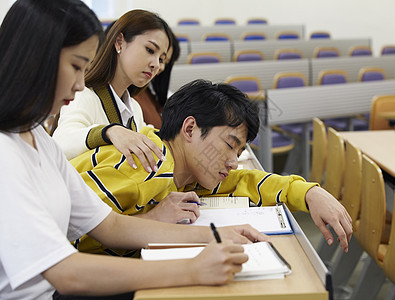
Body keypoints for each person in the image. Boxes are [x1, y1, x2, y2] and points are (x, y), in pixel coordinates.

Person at [0, 1, 268, 299]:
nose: (79, 84)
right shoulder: (5, 151)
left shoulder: (37, 137)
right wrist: (191, 269)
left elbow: (109, 224)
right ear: (34, 59)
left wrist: (215, 236)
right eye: (76, 66)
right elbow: (66, 272)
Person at [71, 79, 353, 257]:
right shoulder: (147, 165)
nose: (233, 161)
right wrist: (153, 220)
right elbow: (75, 240)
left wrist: (308, 192)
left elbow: (245, 181)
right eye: (230, 145)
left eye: (240, 152)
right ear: (190, 128)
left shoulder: (188, 174)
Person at [52, 9, 172, 174]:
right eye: (150, 50)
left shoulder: (134, 109)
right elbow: (61, 143)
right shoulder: (84, 95)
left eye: (161, 59)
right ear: (119, 42)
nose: (156, 65)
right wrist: (110, 131)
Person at [133, 23, 180, 128]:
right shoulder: (134, 96)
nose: (159, 66)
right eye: (150, 50)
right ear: (119, 42)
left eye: (163, 60)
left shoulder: (146, 91)